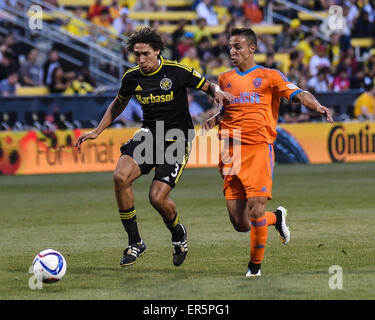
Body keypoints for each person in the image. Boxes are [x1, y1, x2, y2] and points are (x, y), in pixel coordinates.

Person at [75, 27, 231, 268]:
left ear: (157, 51)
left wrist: (218, 93)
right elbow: (119, 103)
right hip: (149, 136)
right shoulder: (132, 77)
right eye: (137, 55)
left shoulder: (176, 71)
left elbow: (208, 85)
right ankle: (135, 242)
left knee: (157, 198)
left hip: (177, 139)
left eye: (145, 54)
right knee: (120, 177)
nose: (141, 59)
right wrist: (97, 131)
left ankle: (178, 233)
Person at [203, 28, 333, 277]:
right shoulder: (223, 79)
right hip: (230, 152)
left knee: (255, 209)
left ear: (252, 48)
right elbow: (228, 111)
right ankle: (277, 218)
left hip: (259, 149)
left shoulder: (270, 76)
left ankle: (255, 267)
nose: (232, 51)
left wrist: (317, 106)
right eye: (230, 46)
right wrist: (215, 118)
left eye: (238, 46)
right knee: (240, 223)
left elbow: (299, 94)